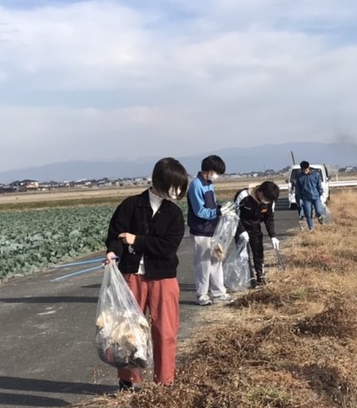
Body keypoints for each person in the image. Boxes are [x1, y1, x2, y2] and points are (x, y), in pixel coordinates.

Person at [104, 157, 190, 390]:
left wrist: (137, 240)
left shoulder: (173, 214)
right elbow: (116, 236)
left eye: (180, 187)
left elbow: (167, 248)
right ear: (160, 181)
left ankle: (165, 382)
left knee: (166, 330)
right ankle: (128, 381)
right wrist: (113, 252)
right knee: (128, 331)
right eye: (174, 185)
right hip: (131, 276)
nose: (177, 191)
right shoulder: (131, 205)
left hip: (163, 277)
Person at [187, 154, 231, 306]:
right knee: (202, 263)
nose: (217, 176)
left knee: (216, 260)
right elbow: (200, 211)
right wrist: (217, 212)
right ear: (210, 170)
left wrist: (220, 208)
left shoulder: (209, 184)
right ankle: (202, 294)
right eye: (217, 173)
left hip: (212, 229)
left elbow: (212, 205)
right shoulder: (196, 185)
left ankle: (219, 292)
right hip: (200, 230)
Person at [233, 181, 281, 288]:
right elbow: (235, 215)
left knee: (258, 252)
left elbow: (269, 218)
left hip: (255, 228)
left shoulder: (270, 201)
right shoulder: (243, 196)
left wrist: (273, 236)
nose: (267, 202)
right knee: (244, 255)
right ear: (260, 193)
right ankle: (249, 279)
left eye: (269, 201)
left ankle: (260, 276)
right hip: (240, 228)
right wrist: (241, 231)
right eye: (266, 199)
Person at [294, 161, 323, 231]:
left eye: (306, 170)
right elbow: (298, 188)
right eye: (303, 170)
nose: (305, 171)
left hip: (316, 196)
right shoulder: (299, 177)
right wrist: (300, 197)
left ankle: (319, 217)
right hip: (306, 198)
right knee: (308, 214)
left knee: (319, 211)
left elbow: (319, 185)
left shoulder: (316, 175)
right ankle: (311, 228)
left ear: (309, 168)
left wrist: (320, 193)